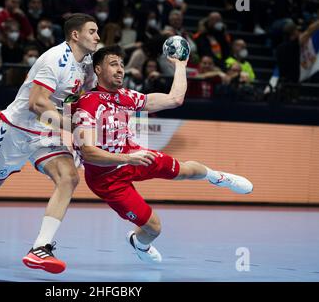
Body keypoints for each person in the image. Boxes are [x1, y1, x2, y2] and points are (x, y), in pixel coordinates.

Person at [0, 13, 100, 274]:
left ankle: (40, 247)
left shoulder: (88, 64)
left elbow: (84, 95)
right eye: (92, 31)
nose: (97, 36)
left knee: (68, 178)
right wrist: (72, 126)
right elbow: (37, 104)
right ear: (75, 35)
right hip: (15, 130)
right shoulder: (55, 59)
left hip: (45, 133)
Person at [72, 45, 253, 263]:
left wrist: (180, 65)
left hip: (134, 156)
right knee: (154, 228)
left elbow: (174, 99)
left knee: (185, 170)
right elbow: (89, 153)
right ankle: (138, 243)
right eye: (113, 64)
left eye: (121, 64)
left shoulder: (126, 96)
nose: (120, 69)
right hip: (107, 178)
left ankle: (217, 178)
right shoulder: (88, 104)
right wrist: (128, 158)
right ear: (98, 70)